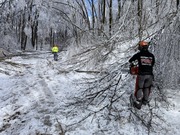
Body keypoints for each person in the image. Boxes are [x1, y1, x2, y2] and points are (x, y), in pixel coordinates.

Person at [129, 41, 155, 109]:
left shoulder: (139, 54)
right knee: (146, 88)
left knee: (139, 88)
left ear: (141, 47)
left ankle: (138, 102)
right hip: (150, 75)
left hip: (142, 74)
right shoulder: (151, 55)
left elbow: (131, 60)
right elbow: (152, 64)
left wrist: (134, 65)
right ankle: (145, 101)